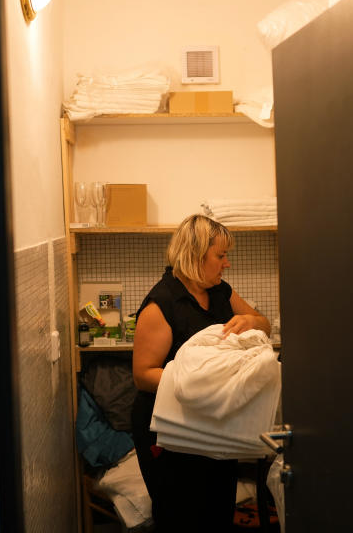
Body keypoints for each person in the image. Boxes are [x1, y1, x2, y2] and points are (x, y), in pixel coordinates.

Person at [131, 214, 271, 532]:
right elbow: (142, 375)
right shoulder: (162, 304)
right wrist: (205, 384)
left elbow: (264, 323)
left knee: (218, 509)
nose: (227, 264)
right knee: (181, 517)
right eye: (221, 256)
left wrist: (250, 321)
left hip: (214, 422)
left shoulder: (220, 292)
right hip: (169, 430)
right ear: (195, 255)